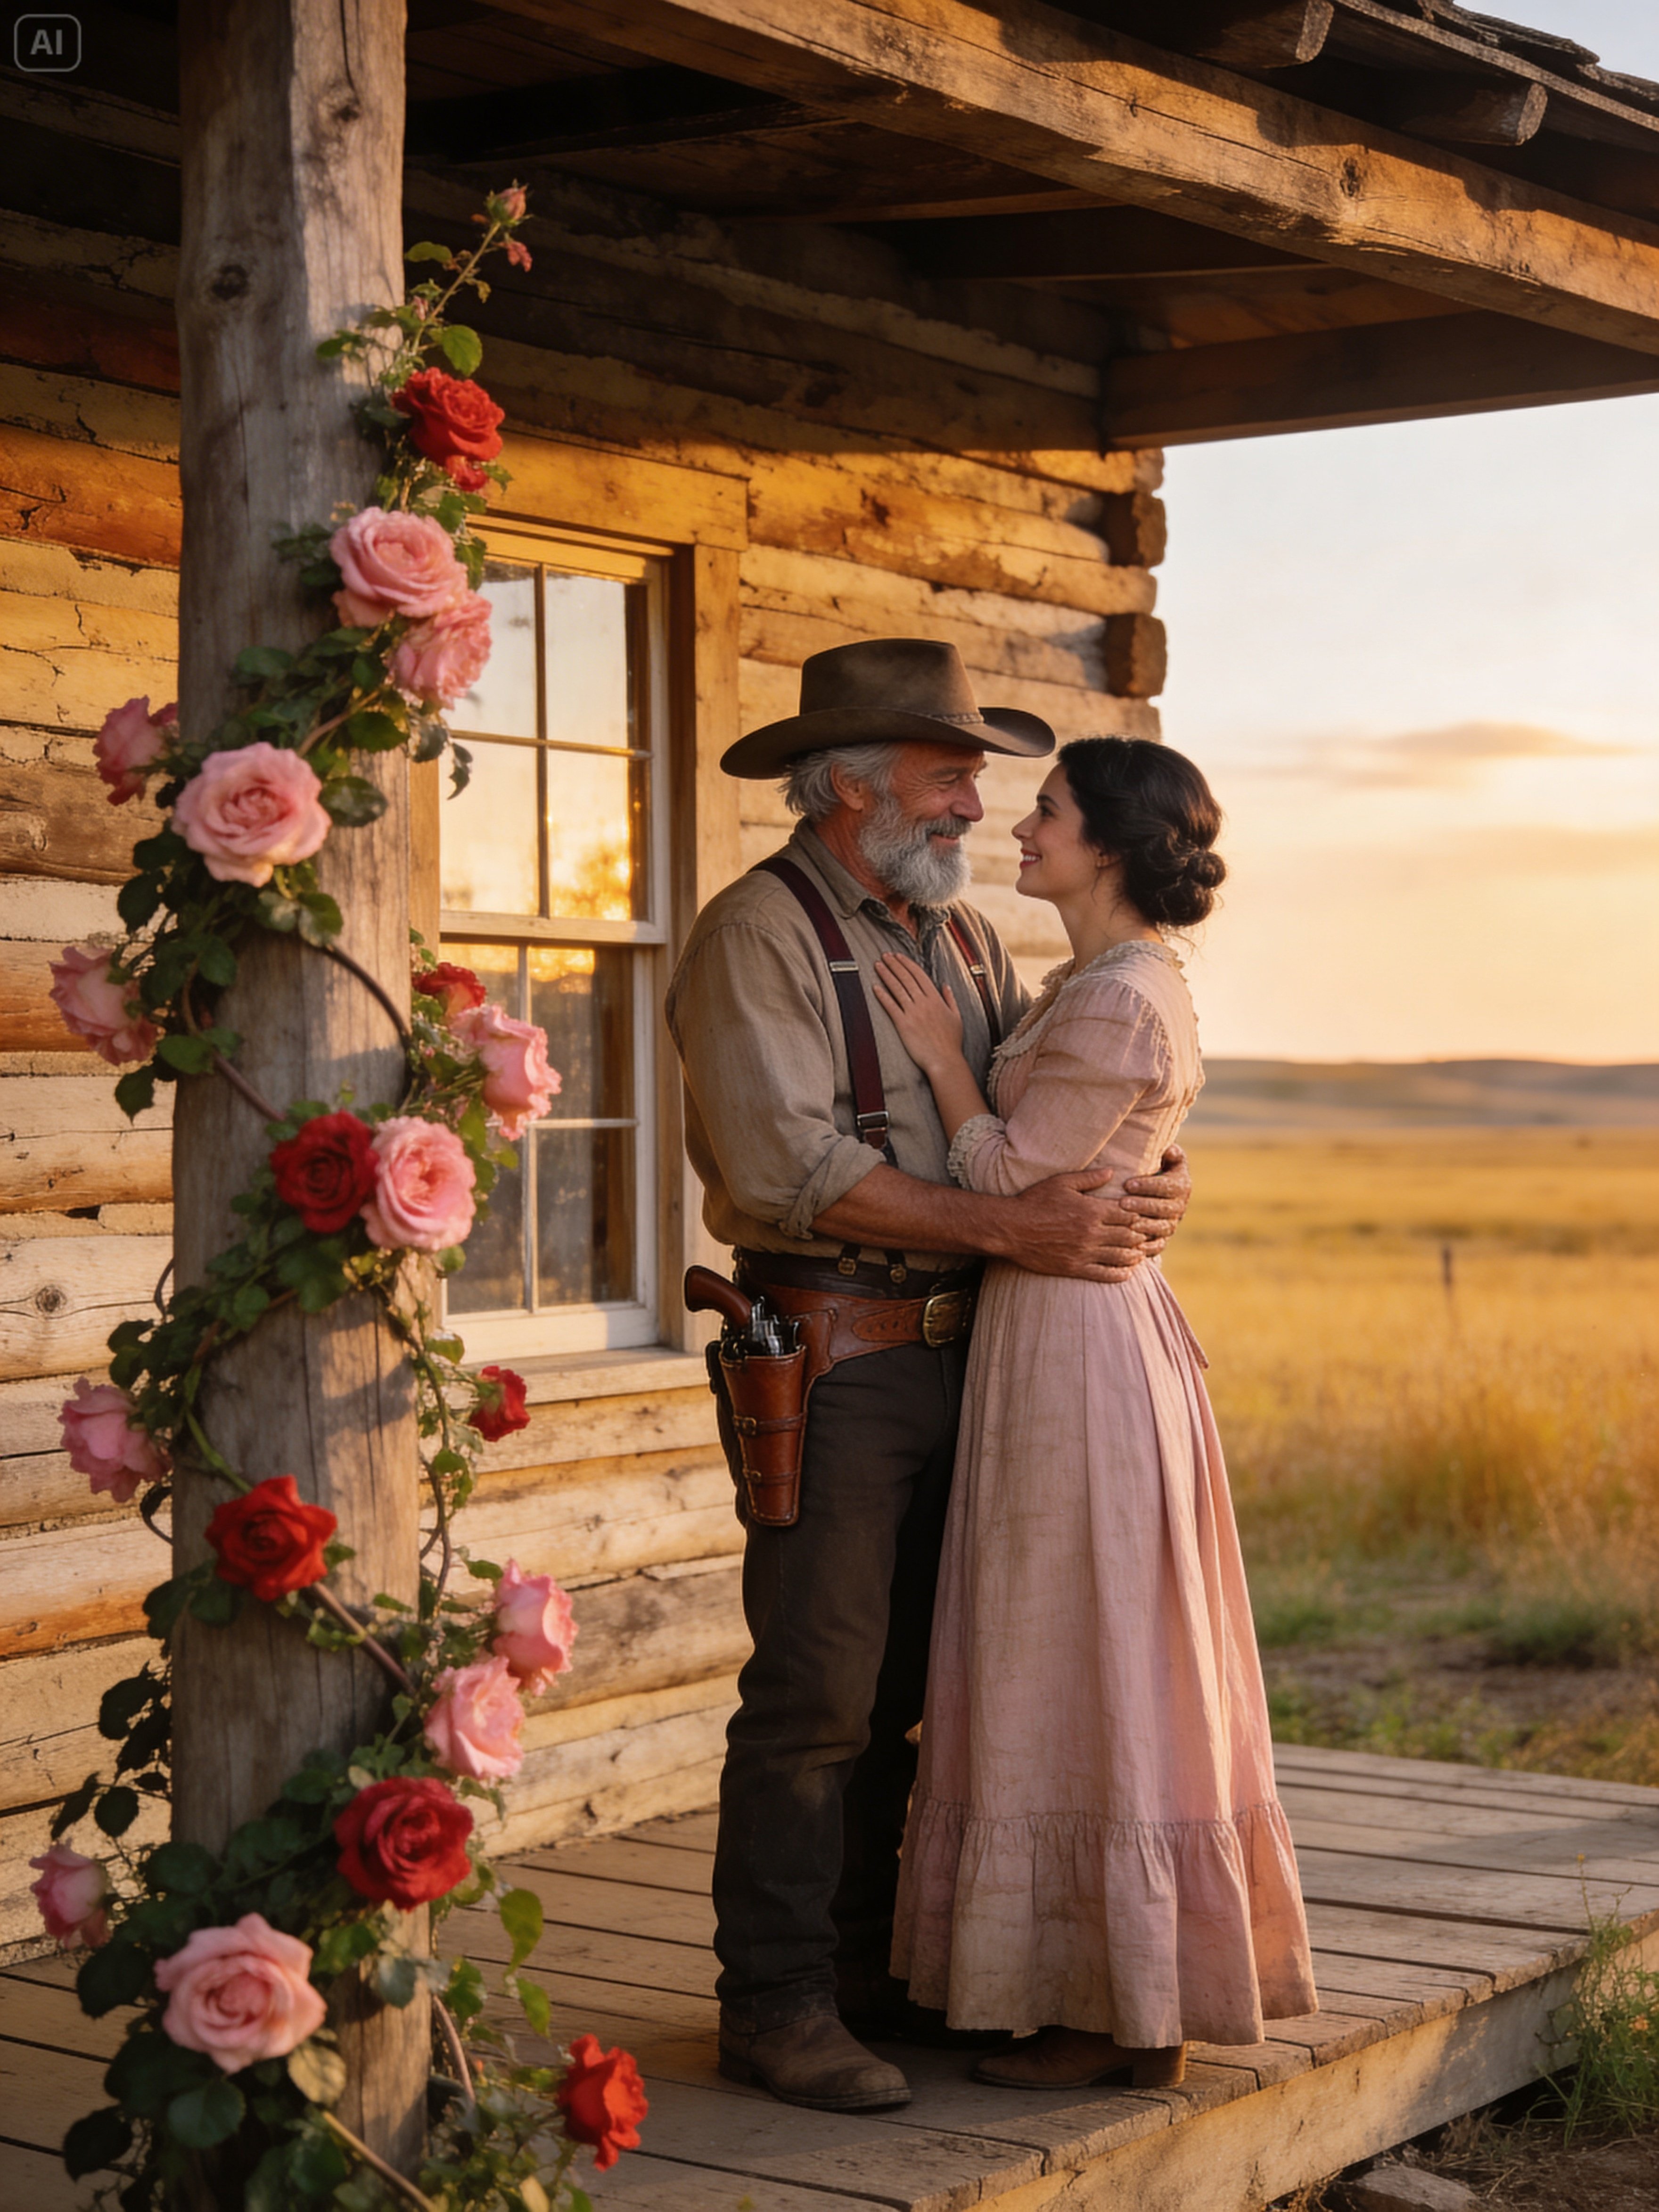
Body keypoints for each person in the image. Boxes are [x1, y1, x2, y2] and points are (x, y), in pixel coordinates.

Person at [665, 640, 1194, 2114]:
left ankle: (868, 1975)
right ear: (850, 786)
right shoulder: (752, 936)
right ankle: (774, 2004)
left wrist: (1157, 1172)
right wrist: (1018, 1225)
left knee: (930, 1688)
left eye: (979, 777)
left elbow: (1058, 1097)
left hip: (981, 1364)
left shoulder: (960, 939)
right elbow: (796, 1171)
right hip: (835, 1361)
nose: (978, 803)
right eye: (952, 772)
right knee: (819, 1696)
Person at [875, 736, 1316, 2090]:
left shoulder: (1121, 998)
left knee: (1089, 1651)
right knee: (1059, 1644)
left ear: (1110, 844)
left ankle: (1124, 2005)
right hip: (1059, 1331)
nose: (1023, 823)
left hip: (1076, 1344)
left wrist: (946, 1061)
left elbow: (1013, 1173)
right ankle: (1080, 1981)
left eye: (1050, 809)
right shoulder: (1104, 984)